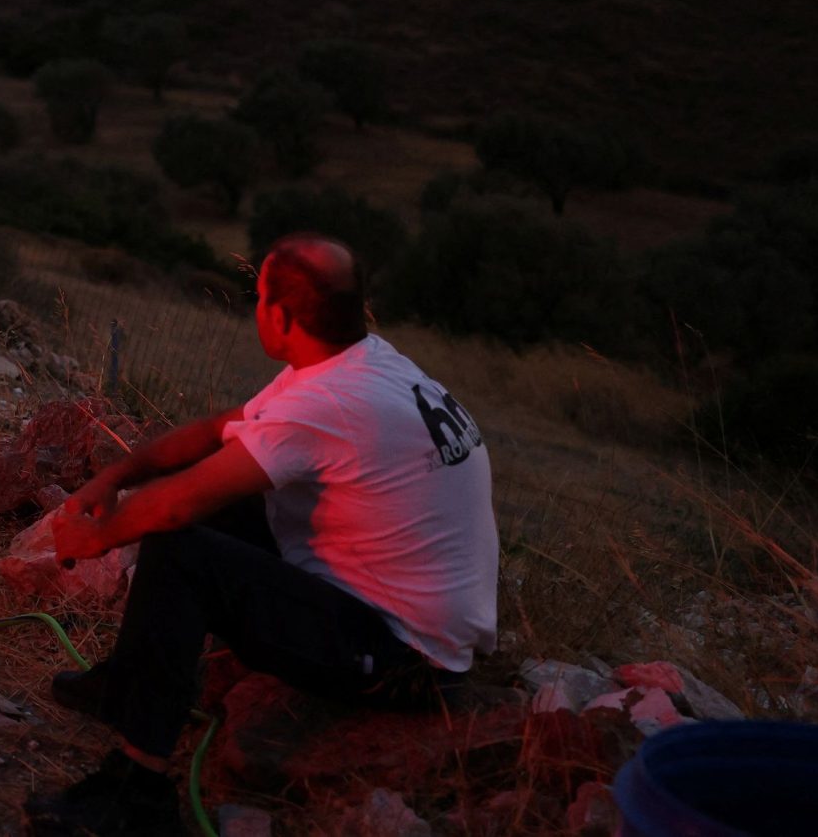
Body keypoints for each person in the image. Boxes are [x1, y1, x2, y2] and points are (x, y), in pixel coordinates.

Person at [26, 235, 498, 836]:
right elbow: (221, 431)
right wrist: (118, 474)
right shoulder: (361, 362)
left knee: (180, 546)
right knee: (221, 505)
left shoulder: (329, 400)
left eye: (259, 298)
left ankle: (136, 792)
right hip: (399, 620)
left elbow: (175, 507)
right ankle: (127, 682)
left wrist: (94, 538)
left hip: (404, 658)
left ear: (278, 315)